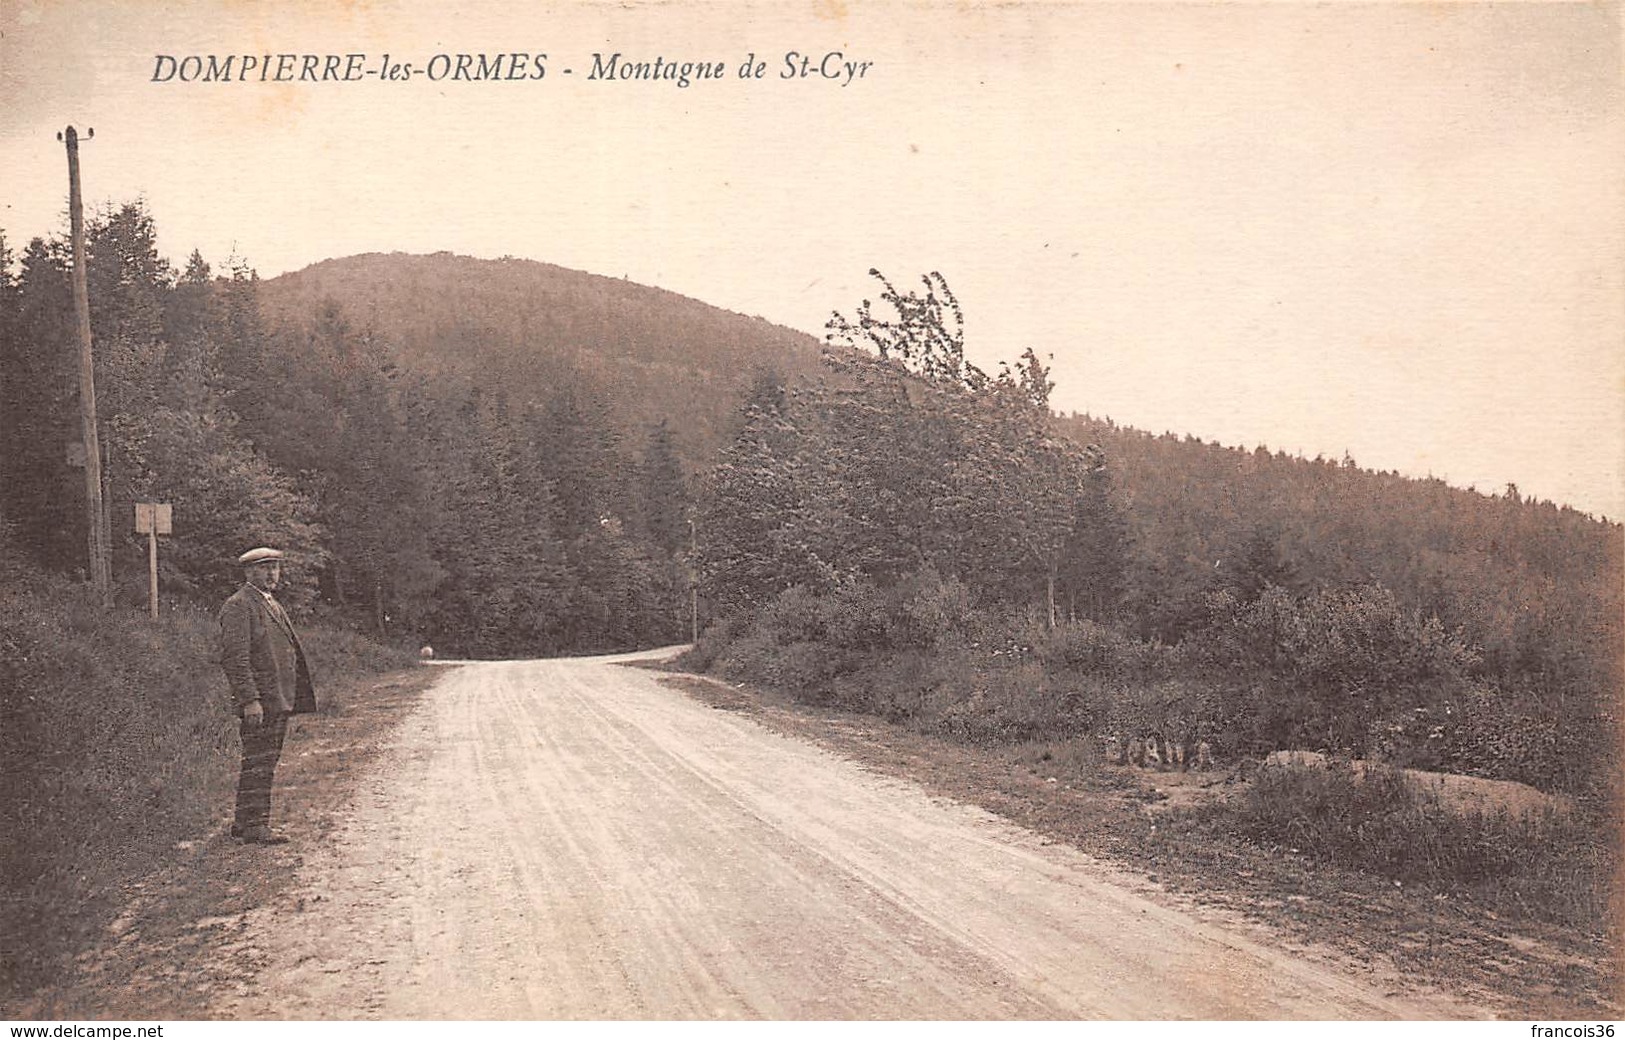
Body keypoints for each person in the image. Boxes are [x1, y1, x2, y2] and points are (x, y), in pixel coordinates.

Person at [219, 547, 316, 844]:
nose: (272, 574)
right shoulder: (240, 605)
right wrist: (250, 700)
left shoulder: (270, 603)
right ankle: (256, 826)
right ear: (249, 572)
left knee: (264, 760)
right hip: (261, 701)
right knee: (259, 761)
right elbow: (236, 658)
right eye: (264, 568)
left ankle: (244, 821)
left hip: (277, 698)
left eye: (275, 568)